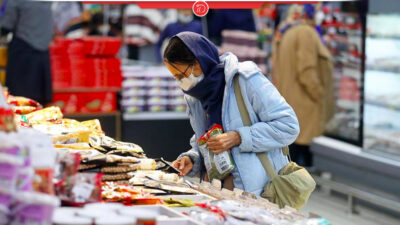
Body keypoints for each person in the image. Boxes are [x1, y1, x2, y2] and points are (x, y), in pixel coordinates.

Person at [165, 32, 299, 195]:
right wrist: (192, 159)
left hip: (256, 193)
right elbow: (207, 140)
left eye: (182, 75)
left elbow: (288, 126)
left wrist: (238, 137)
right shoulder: (196, 95)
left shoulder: (245, 79)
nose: (180, 82)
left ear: (198, 62)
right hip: (216, 191)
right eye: (175, 77)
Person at [273, 4, 333, 167]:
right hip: (305, 102)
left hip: (291, 100)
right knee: (302, 148)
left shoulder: (285, 31)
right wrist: (320, 95)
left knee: (292, 150)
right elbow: (307, 71)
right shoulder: (306, 33)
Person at [1, 0, 53, 105]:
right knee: (39, 103)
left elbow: (5, 26)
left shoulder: (17, 2)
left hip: (22, 56)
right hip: (42, 56)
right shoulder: (47, 3)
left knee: (19, 101)